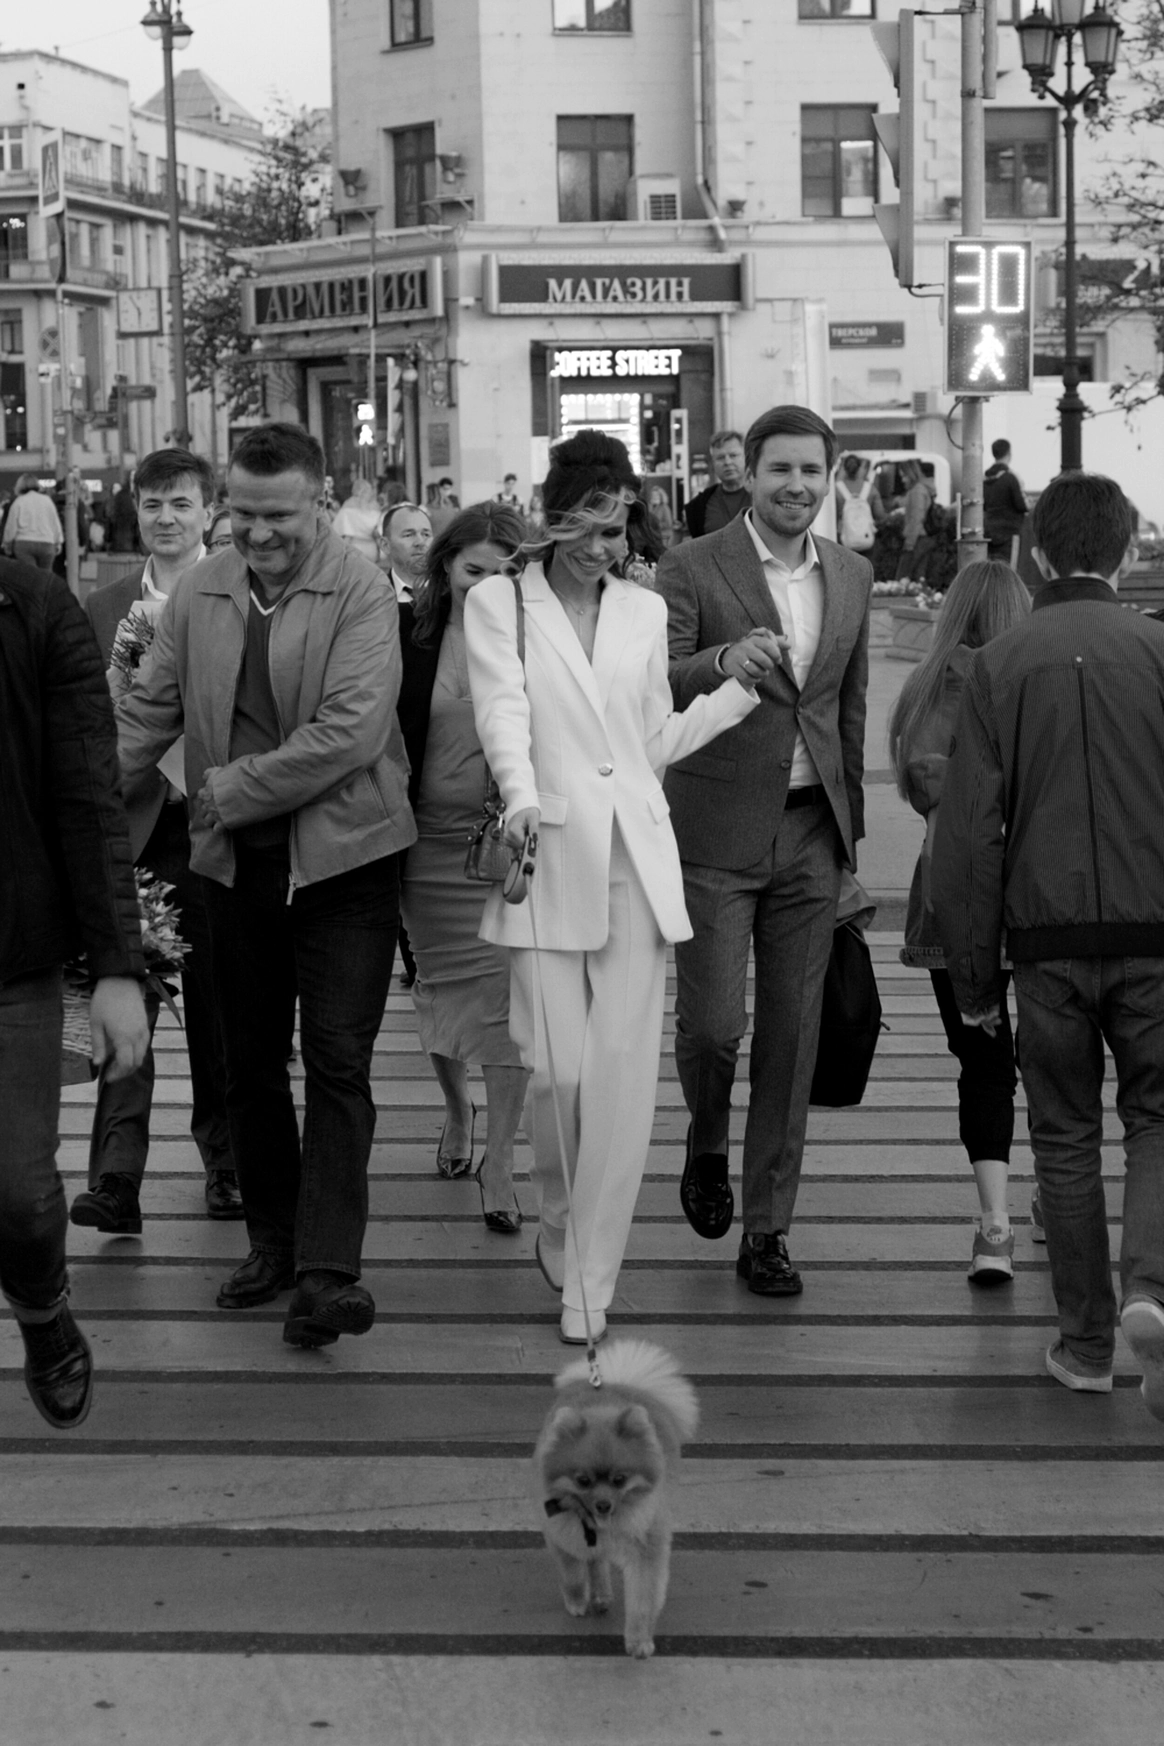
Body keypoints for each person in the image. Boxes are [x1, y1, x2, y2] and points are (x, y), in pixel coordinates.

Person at [114, 423, 416, 1349]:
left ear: (319, 503)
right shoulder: (201, 591)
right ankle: (273, 1245)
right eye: (241, 513)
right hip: (234, 865)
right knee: (246, 1062)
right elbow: (145, 717)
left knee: (336, 1061)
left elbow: (351, 731)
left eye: (277, 515)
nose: (256, 532)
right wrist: (66, 808)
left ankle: (328, 1272)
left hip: (347, 861)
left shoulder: (361, 589)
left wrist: (227, 791)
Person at [464, 430, 760, 1344]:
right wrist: (519, 798)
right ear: (555, 522)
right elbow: (502, 711)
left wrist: (733, 692)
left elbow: (649, 743)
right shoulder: (499, 602)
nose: (605, 547)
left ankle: (592, 1279)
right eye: (589, 529)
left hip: (636, 858)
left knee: (623, 1086)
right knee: (557, 1074)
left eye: (618, 527)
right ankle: (559, 1215)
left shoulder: (642, 608)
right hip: (545, 853)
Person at [931, 471, 1164, 1410]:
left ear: (1034, 554)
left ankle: (1086, 1344)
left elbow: (970, 838)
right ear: (1129, 552)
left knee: (1064, 1136)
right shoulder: (1159, 651)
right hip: (1156, 937)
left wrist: (974, 974)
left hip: (1045, 942)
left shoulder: (997, 665)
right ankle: (1151, 1290)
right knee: (1157, 1119)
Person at [657, 404, 872, 1296]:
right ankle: (707, 1139)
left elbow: (848, 707)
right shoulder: (692, 564)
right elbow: (658, 680)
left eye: (811, 471)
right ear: (748, 474)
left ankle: (768, 1230)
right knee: (713, 1029)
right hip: (713, 830)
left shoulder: (852, 573)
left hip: (812, 834)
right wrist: (721, 661)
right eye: (780, 469)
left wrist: (851, 839)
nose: (796, 486)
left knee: (792, 1038)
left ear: (829, 479)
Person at [1, 559, 149, 1428]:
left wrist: (118, 967)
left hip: (11, 960)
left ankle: (43, 1311)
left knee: (20, 1197)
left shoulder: (33, 609)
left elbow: (89, 793)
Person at [77, 451, 236, 1239]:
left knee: (220, 1006)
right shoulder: (104, 607)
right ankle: (116, 1177)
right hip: (131, 825)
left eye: (180, 503)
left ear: (209, 511)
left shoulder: (241, 591)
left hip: (215, 821)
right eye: (151, 505)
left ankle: (228, 1163)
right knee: (124, 994)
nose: (165, 518)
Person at [888, 560, 1029, 1282]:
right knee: (1059, 1056)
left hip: (949, 907)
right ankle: (1062, 1195)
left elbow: (921, 787)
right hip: (1036, 901)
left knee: (984, 1063)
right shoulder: (1025, 684)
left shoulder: (922, 690)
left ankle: (994, 1227)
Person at [397, 503, 531, 1231]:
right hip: (422, 843)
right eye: (473, 569)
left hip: (506, 844)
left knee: (510, 1003)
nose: (485, 585)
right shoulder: (407, 633)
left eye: (502, 573)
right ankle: (457, 1109)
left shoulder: (536, 639)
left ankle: (501, 1161)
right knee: (438, 988)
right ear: (445, 566)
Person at [682, 431, 749, 540]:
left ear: (746, 458)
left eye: (733, 455)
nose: (727, 462)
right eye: (720, 457)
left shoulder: (763, 496)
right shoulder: (698, 507)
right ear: (713, 463)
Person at [2, 474, 63, 572]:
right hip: (47, 543)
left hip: (24, 543)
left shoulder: (19, 501)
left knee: (30, 575)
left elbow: (11, 526)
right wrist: (58, 541)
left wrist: (7, 543)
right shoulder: (47, 500)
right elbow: (55, 523)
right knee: (46, 576)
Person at [983, 439, 1027, 564]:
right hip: (1009, 533)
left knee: (992, 568)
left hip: (989, 533)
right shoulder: (1011, 478)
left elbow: (984, 506)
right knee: (1009, 569)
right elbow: (1021, 505)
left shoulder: (984, 479)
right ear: (1009, 454)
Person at [380, 501, 433, 604]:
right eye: (409, 535)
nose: (420, 542)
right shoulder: (376, 598)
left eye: (426, 534)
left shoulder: (451, 594)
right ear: (385, 545)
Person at [895, 459, 937, 583]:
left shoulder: (917, 491)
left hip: (917, 539)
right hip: (923, 539)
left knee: (903, 579)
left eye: (904, 476)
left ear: (911, 474)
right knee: (919, 578)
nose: (903, 480)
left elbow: (916, 518)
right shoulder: (923, 489)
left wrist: (909, 543)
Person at [835, 454, 884, 555]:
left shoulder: (836, 490)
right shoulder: (870, 489)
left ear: (844, 468)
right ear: (860, 468)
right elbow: (880, 515)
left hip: (844, 539)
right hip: (866, 538)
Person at [332, 478, 383, 563]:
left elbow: (340, 532)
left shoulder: (347, 508)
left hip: (354, 547)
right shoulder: (374, 508)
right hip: (371, 547)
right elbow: (378, 531)